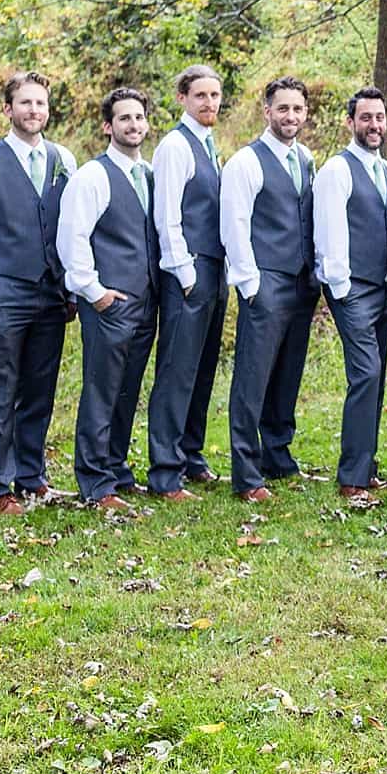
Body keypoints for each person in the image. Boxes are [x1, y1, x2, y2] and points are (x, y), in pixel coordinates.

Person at [0, 71, 76, 514]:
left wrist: (71, 285)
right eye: (25, 103)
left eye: (40, 103)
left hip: (51, 295)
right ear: (8, 109)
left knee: (40, 388)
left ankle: (32, 477)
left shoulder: (64, 159)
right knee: (0, 389)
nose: (34, 111)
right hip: (4, 293)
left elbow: (72, 228)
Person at [56, 87, 162, 510]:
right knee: (101, 391)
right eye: (124, 119)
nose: (133, 125)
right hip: (109, 304)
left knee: (127, 391)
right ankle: (95, 483)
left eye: (139, 118)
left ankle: (117, 469)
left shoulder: (151, 174)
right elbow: (72, 238)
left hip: (145, 302)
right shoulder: (92, 176)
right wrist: (95, 293)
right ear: (108, 126)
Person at [220, 76, 318, 502]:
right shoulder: (247, 162)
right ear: (267, 111)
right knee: (253, 378)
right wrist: (250, 282)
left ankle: (278, 455)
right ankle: (246, 471)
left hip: (301, 282)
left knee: (287, 374)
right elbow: (235, 223)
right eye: (283, 109)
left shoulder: (308, 159)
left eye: (298, 109)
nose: (290, 116)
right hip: (266, 281)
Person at [314, 86, 387, 500]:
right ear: (350, 122)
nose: (374, 125)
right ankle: (351, 477)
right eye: (365, 118)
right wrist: (342, 289)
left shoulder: (386, 170)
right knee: (365, 373)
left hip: (383, 288)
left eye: (380, 117)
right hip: (351, 289)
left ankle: (366, 466)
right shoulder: (337, 170)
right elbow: (330, 231)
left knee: (378, 378)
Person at [146, 64, 229, 494]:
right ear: (182, 98)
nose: (210, 103)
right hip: (189, 272)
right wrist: (185, 273)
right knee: (177, 370)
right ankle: (164, 469)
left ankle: (190, 455)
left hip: (216, 269)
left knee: (202, 367)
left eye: (215, 95)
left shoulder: (209, 144)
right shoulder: (175, 147)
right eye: (201, 95)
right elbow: (168, 214)